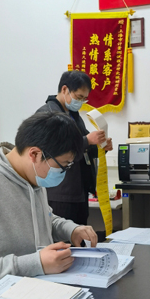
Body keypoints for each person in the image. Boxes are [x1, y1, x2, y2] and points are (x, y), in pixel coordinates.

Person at [0, 111, 98, 299]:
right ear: (34, 154)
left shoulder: (32, 177)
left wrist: (70, 230)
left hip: (35, 295)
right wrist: (35, 264)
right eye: (63, 165)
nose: (64, 172)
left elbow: (44, 218)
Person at [35, 70, 113, 226]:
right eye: (79, 97)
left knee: (80, 236)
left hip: (79, 191)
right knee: (63, 236)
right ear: (65, 89)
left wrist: (100, 147)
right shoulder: (48, 114)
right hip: (61, 193)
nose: (81, 102)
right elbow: (54, 150)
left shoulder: (74, 115)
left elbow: (83, 149)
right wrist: (87, 140)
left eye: (84, 99)